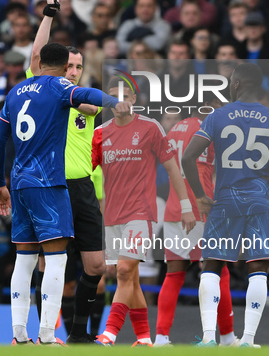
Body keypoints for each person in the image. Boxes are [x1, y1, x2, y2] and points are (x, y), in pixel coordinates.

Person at [0, 42, 130, 345]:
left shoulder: (16, 92)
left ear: (39, 62)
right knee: (55, 260)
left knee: (24, 260)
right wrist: (113, 101)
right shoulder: (58, 87)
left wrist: (0, 184)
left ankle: (18, 335)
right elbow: (87, 95)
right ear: (64, 65)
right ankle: (47, 335)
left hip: (19, 182)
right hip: (49, 182)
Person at [181, 63, 269, 347]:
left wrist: (201, 195)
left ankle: (207, 338)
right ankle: (248, 339)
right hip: (260, 198)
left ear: (237, 84)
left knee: (212, 265)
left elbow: (188, 157)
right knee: (259, 267)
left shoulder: (217, 116)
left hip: (225, 199)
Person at [26, 0, 107, 344]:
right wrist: (49, 12)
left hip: (83, 189)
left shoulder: (86, 101)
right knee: (50, 264)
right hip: (53, 188)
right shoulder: (44, 89)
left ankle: (77, 331)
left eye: (78, 67)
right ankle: (48, 332)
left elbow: (93, 112)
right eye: (69, 65)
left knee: (96, 266)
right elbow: (34, 59)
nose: (73, 71)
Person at [95, 79, 196, 347]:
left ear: (134, 99)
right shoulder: (100, 133)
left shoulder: (151, 128)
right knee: (132, 279)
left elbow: (173, 168)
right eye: (113, 96)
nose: (119, 101)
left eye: (124, 95)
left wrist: (186, 206)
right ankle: (144, 338)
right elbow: (85, 171)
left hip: (141, 213)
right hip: (112, 215)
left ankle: (109, 334)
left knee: (125, 271)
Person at [156, 93, 239, 347]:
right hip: (202, 207)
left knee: (174, 274)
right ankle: (225, 337)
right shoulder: (211, 129)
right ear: (211, 106)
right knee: (218, 271)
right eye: (222, 107)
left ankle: (161, 337)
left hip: (174, 209)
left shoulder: (175, 129)